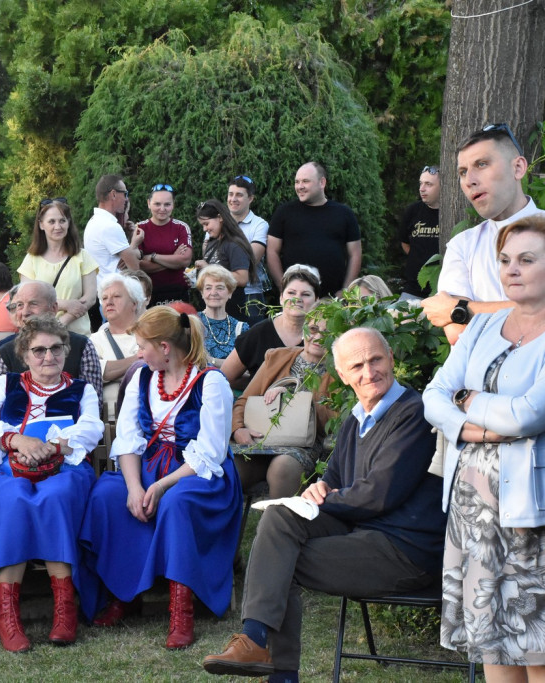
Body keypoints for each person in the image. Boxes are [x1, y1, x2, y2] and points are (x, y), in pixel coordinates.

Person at [203, 328, 447, 682]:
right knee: (280, 515)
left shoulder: (414, 413)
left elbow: (377, 494)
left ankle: (279, 670)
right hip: (362, 536)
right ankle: (255, 640)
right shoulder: (354, 421)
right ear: (343, 376)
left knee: (280, 561)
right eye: (357, 365)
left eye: (376, 359)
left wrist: (326, 497)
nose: (369, 372)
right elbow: (331, 478)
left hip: (405, 551)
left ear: (391, 358)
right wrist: (318, 489)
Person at [423, 215, 545, 679]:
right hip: (474, 511)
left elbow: (529, 414)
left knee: (536, 647)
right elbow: (434, 397)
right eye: (505, 260)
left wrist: (468, 400)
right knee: (491, 644)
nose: (511, 269)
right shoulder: (480, 327)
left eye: (527, 259)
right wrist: (474, 428)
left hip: (532, 516)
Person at [80, 307, 242, 650]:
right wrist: (136, 486)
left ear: (165, 347)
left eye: (143, 346)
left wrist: (159, 486)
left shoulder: (211, 382)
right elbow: (127, 438)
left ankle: (180, 610)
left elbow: (210, 453)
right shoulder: (141, 378)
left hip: (197, 472)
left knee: (176, 502)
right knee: (107, 495)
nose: (139, 354)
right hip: (152, 465)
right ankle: (125, 594)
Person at [0, 315, 104, 651]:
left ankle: (64, 608)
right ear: (25, 355)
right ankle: (7, 614)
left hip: (64, 467)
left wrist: (50, 446)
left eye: (56, 349)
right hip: (8, 467)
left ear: (65, 350)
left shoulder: (81, 389)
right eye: (39, 350)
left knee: (56, 497)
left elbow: (90, 429)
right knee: (13, 499)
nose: (49, 357)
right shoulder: (5, 385)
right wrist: (17, 441)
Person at [422, 123, 542, 344]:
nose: (470, 181)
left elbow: (455, 315)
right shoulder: (462, 245)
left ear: (518, 168)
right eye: (463, 172)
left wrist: (463, 309)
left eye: (482, 164)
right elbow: (456, 334)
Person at [231, 316, 335, 498]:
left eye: (326, 333)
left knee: (281, 468)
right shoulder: (277, 356)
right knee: (231, 471)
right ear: (305, 329)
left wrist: (292, 393)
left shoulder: (339, 370)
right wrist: (238, 429)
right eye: (313, 329)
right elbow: (244, 401)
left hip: (305, 447)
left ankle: (275, 525)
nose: (317, 337)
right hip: (261, 441)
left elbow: (334, 422)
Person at [0, 281, 103, 399]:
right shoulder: (5, 350)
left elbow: (93, 400)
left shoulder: (82, 346)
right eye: (20, 305)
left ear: (53, 309)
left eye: (33, 304)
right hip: (18, 417)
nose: (24, 312)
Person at [267, 161, 361, 298]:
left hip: (333, 300)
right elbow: (272, 251)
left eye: (305, 181)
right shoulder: (284, 213)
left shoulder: (344, 214)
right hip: (295, 299)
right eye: (297, 182)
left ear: (322, 183)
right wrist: (283, 287)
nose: (300, 186)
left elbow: (355, 254)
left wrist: (346, 290)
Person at [220, 264, 320, 385]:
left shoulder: (324, 335)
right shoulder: (259, 333)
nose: (297, 298)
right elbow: (226, 376)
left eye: (306, 294)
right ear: (281, 298)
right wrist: (259, 387)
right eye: (291, 293)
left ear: (316, 301)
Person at [18, 198, 99, 335]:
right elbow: (28, 299)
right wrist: (66, 305)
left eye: (62, 220)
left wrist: (63, 321)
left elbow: (90, 297)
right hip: (41, 335)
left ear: (68, 223)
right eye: (51, 221)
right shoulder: (31, 260)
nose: (58, 226)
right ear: (41, 225)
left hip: (77, 335)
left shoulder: (83, 256)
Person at [83, 174, 145, 301]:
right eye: (125, 194)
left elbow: (127, 258)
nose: (126, 199)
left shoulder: (95, 221)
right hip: (116, 297)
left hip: (105, 295)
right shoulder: (109, 226)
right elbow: (134, 268)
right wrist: (134, 243)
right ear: (114, 194)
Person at [89, 273, 145, 413]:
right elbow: (100, 372)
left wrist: (116, 368)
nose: (109, 302)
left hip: (147, 417)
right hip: (111, 421)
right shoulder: (94, 340)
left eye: (117, 296)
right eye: (104, 298)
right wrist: (140, 358)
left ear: (134, 303)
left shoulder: (152, 335)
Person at [195, 199, 257, 319]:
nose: (204, 229)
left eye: (206, 224)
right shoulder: (212, 242)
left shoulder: (234, 245)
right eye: (202, 225)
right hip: (211, 312)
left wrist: (209, 268)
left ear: (220, 218)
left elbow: (242, 278)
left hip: (231, 312)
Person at [135, 183, 193, 305]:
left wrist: (153, 257)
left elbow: (185, 260)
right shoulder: (139, 229)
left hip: (178, 292)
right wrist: (173, 259)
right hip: (149, 294)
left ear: (173, 205)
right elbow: (139, 265)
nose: (162, 209)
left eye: (167, 204)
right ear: (148, 203)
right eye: (157, 204)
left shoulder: (181, 227)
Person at [227, 175, 270, 324]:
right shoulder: (218, 222)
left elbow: (251, 260)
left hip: (251, 294)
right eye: (231, 194)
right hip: (220, 292)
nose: (233, 199)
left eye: (239, 195)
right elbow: (209, 256)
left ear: (250, 198)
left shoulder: (260, 225)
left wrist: (220, 260)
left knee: (253, 342)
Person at [398, 165, 441, 300]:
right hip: (413, 288)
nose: (422, 189)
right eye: (421, 183)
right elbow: (405, 244)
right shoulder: (413, 211)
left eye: (428, 184)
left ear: (443, 186)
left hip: (443, 289)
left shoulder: (451, 213)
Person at [196, 265, 250, 368]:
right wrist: (233, 366)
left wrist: (211, 361)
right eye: (208, 288)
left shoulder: (241, 328)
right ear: (202, 293)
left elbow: (247, 366)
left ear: (230, 293)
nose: (213, 293)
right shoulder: (193, 322)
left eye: (219, 288)